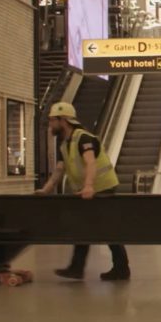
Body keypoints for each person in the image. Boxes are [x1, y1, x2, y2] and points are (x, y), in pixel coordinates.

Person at [36, 102, 129, 281]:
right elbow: (59, 170)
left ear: (63, 120)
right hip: (89, 190)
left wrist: (88, 186)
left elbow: (90, 162)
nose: (50, 125)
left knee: (107, 228)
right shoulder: (66, 144)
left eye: (52, 120)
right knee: (84, 227)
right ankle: (78, 268)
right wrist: (46, 189)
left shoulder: (83, 138)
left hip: (102, 187)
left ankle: (119, 268)